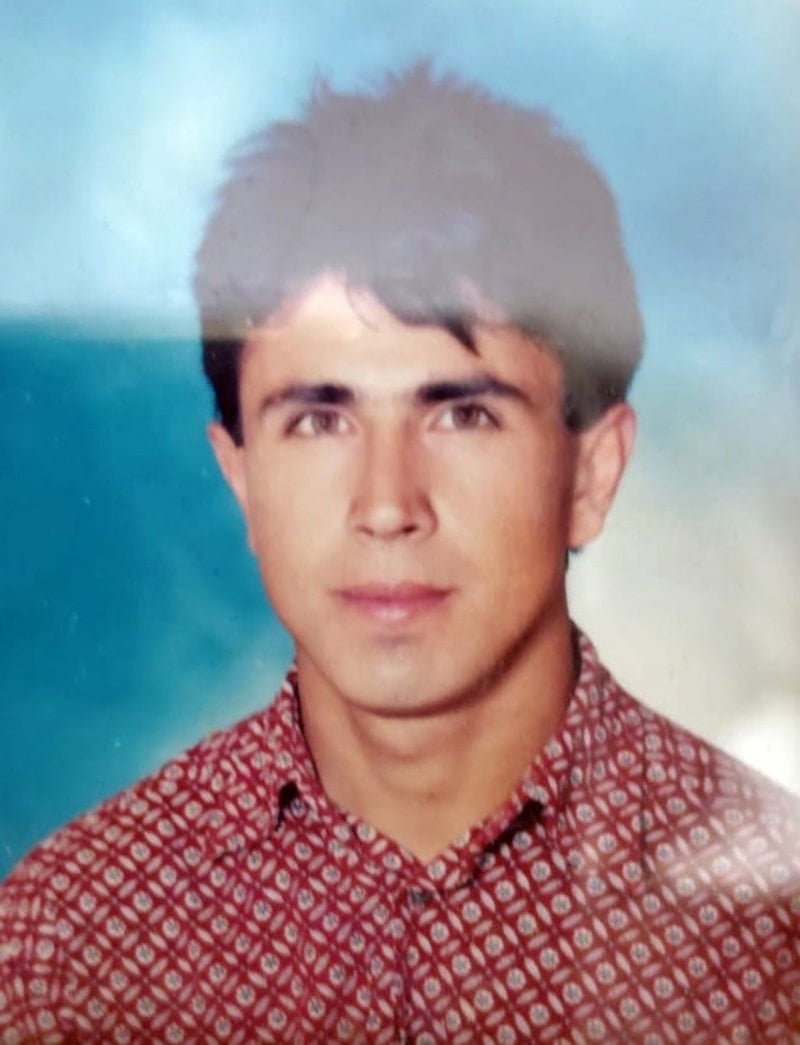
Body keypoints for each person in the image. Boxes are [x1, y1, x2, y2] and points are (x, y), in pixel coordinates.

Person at [1, 65, 798, 1043]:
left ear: (590, 474)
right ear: (241, 478)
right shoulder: (73, 941)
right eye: (319, 419)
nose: (386, 505)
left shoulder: (776, 940)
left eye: (462, 414)